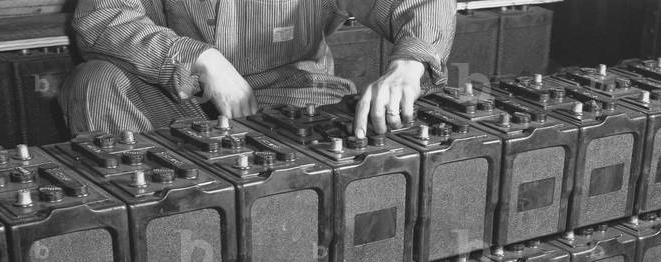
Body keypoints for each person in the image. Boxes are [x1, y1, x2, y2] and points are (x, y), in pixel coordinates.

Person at [61, 0, 456, 139]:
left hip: (295, 97)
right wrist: (201, 58)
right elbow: (101, 16)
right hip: (183, 100)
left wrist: (410, 64)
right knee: (96, 82)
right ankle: (159, 245)